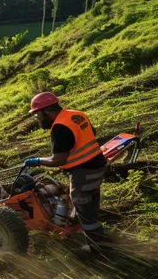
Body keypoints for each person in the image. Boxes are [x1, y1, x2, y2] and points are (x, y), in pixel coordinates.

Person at [22, 92, 108, 245]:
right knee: (90, 200)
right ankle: (90, 230)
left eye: (37, 115)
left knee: (84, 208)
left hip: (83, 171)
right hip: (98, 165)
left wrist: (36, 161)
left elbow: (58, 159)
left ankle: (97, 247)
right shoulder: (76, 114)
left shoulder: (59, 127)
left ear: (46, 111)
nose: (37, 119)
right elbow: (91, 133)